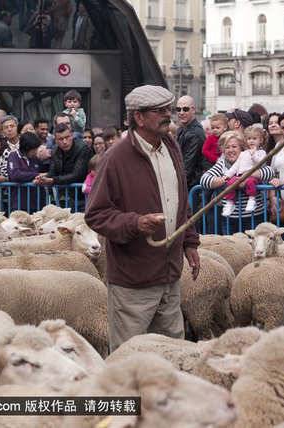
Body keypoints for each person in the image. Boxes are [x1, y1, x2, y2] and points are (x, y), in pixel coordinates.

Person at [85, 85, 200, 351]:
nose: (168, 114)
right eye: (160, 110)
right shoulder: (114, 158)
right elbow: (95, 213)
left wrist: (189, 242)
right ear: (139, 117)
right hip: (133, 280)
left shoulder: (171, 146)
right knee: (131, 355)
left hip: (170, 276)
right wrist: (134, 223)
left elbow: (181, 199)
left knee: (174, 352)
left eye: (169, 108)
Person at [201, 130, 273, 234]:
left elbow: (268, 172)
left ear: (242, 147)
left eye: (234, 147)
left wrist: (244, 176)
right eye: (227, 147)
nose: (230, 150)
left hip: (253, 217)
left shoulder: (251, 158)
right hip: (230, 219)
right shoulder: (222, 164)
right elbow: (204, 180)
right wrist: (227, 180)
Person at [221, 125, 267, 216]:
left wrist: (253, 155)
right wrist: (228, 175)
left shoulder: (261, 153)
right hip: (239, 176)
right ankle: (230, 202)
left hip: (251, 177)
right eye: (249, 138)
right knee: (231, 183)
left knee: (250, 182)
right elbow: (235, 166)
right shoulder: (243, 153)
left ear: (261, 140)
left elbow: (261, 163)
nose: (251, 141)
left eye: (254, 138)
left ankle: (252, 199)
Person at [175, 95, 206, 192]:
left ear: (193, 110)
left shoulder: (195, 133)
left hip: (191, 187)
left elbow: (187, 167)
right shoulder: (182, 129)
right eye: (178, 109)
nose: (181, 113)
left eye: (185, 109)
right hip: (187, 185)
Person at [7, 132, 42, 212]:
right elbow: (15, 175)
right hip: (19, 203)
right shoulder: (14, 156)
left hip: (37, 202)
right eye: (33, 149)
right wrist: (37, 175)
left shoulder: (35, 159)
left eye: (36, 149)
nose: (35, 152)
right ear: (26, 147)